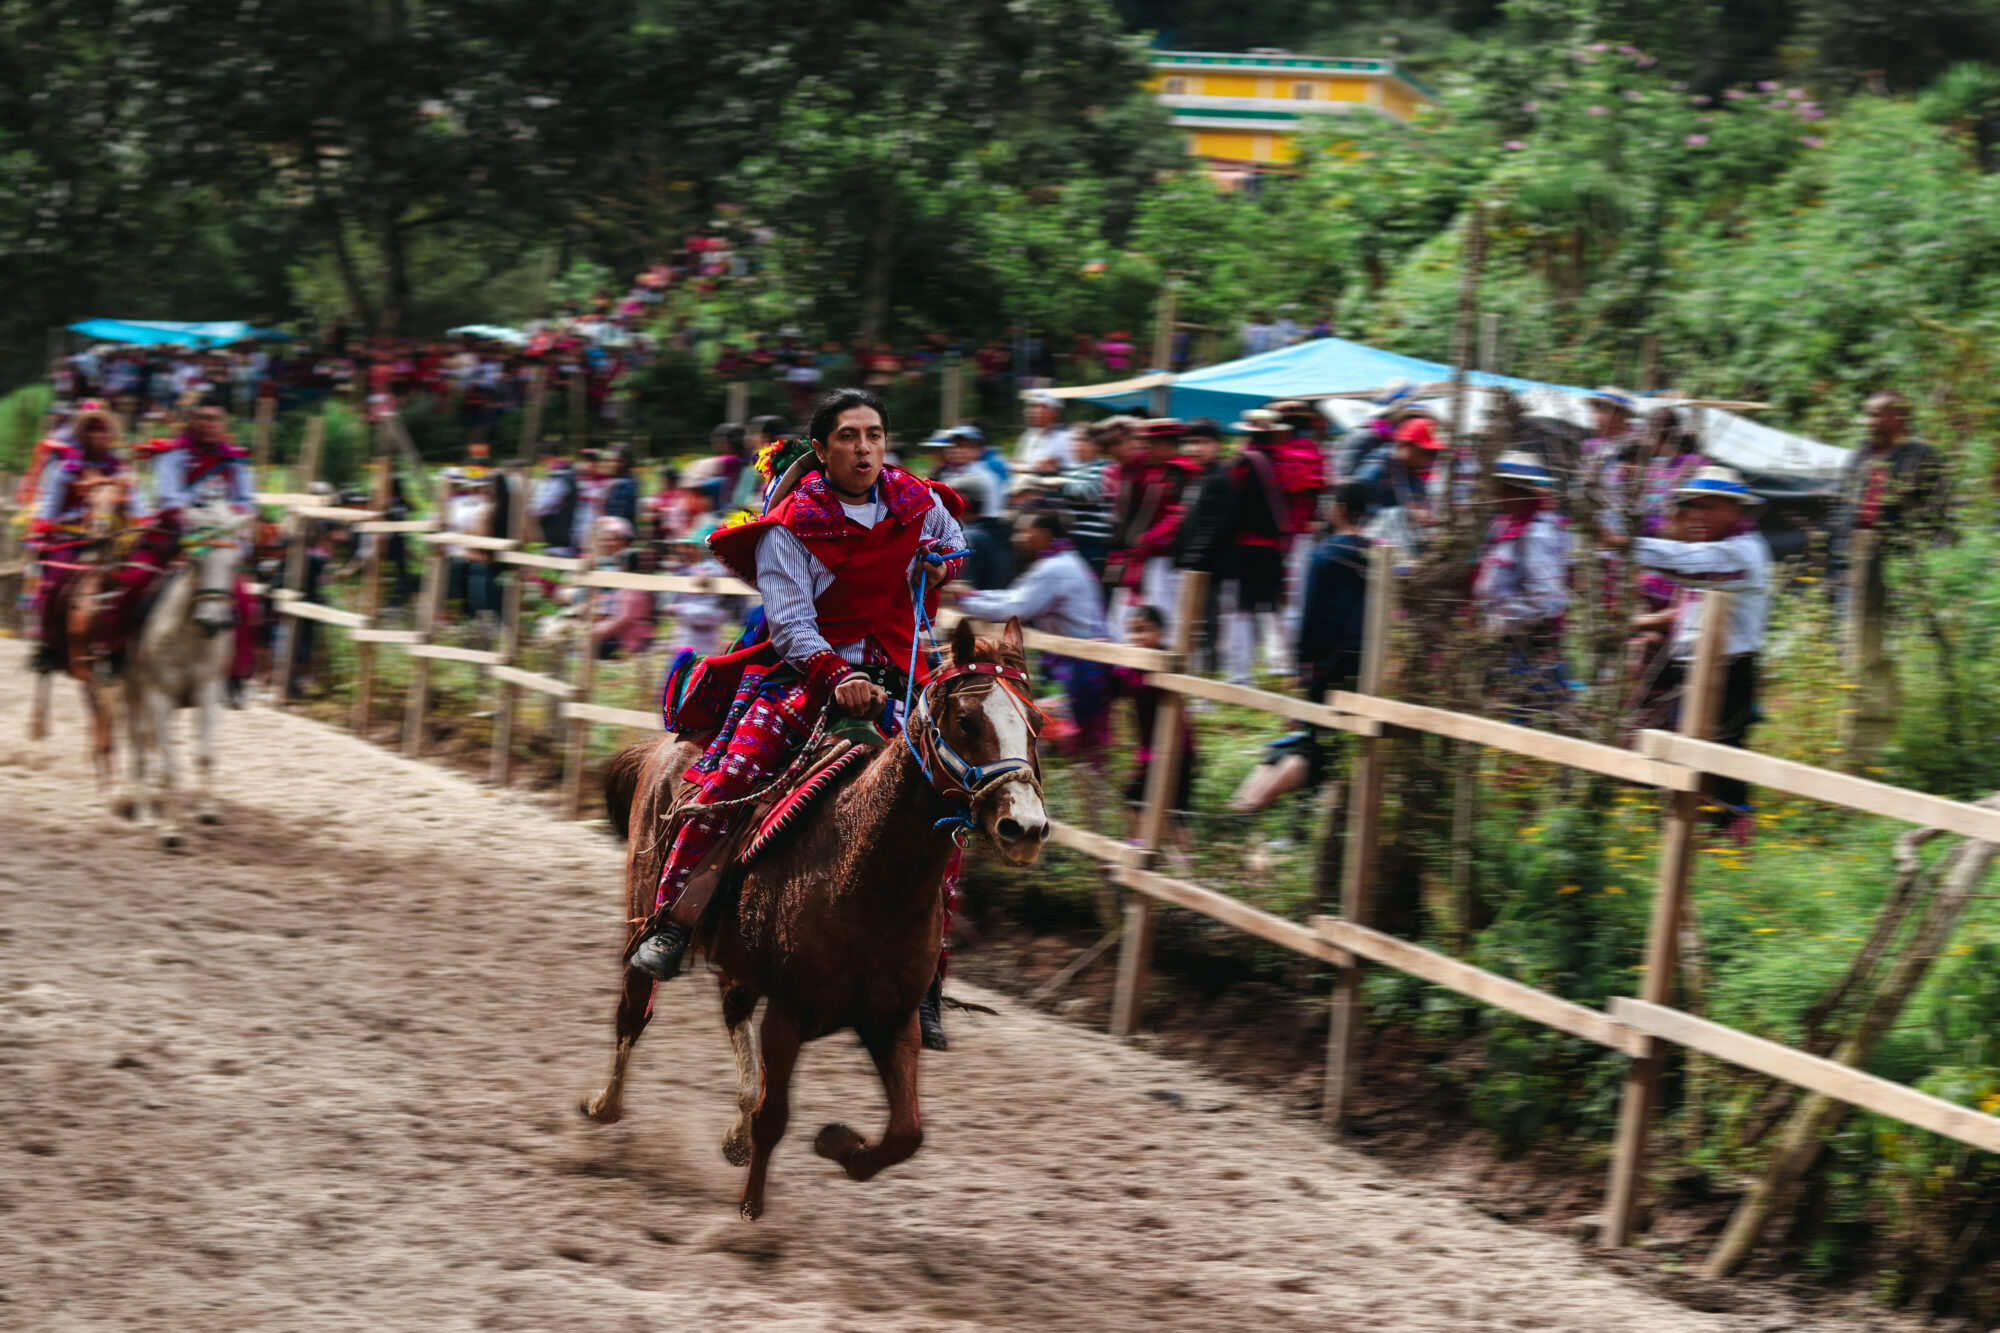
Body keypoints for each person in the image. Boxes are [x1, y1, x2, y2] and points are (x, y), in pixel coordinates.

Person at [627, 388, 968, 1049]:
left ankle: (929, 976)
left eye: (875, 433)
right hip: (806, 678)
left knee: (951, 803)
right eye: (849, 435)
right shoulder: (793, 526)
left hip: (898, 679)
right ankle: (672, 921)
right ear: (822, 448)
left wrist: (942, 560)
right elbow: (788, 624)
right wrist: (838, 677)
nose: (865, 446)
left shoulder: (914, 500)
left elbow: (953, 542)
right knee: (732, 778)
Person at [1616, 466, 1771, 842]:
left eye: (1711, 506)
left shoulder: (1742, 553)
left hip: (1728, 668)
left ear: (1738, 511)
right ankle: (1682, 829)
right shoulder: (1710, 546)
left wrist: (1621, 543)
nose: (1700, 514)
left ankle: (1729, 841)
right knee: (1673, 743)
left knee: (1723, 757)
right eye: (1695, 506)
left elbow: (1690, 567)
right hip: (1689, 663)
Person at [952, 509, 1113, 757]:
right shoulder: (1059, 563)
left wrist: (962, 601)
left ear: (1044, 533)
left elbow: (1015, 608)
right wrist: (969, 597)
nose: (1018, 537)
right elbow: (1015, 598)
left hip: (1082, 666)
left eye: (1025, 531)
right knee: (1076, 743)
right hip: (1078, 663)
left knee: (1076, 745)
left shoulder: (1055, 569)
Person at [148, 400, 259, 701]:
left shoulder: (236, 464)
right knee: (134, 583)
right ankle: (118, 654)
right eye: (202, 418)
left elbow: (247, 503)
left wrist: (225, 524)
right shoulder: (172, 458)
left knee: (247, 603)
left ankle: (236, 677)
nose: (209, 424)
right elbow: (168, 500)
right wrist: (193, 530)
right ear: (191, 422)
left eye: (214, 418)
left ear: (224, 425)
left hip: (220, 542)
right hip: (177, 540)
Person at [27, 405, 137, 674]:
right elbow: (50, 508)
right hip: (71, 539)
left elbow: (137, 510)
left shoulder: (121, 471)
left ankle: (124, 645)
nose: (97, 437)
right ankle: (48, 643)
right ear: (83, 435)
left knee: (136, 582)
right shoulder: (66, 469)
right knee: (52, 586)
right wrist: (42, 530)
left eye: (102, 432)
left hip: (111, 539)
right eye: (92, 432)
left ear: (110, 437)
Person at [1473, 452, 1572, 718]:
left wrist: (1501, 618)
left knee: (1522, 724)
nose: (1495, 493)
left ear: (1516, 490)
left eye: (1501, 486)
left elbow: (1547, 598)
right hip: (1502, 646)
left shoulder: (1537, 534)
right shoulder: (1503, 525)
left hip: (1526, 648)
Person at [1217, 410, 1292, 684]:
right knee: (1275, 610)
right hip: (1275, 550)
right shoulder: (1285, 462)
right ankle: (1286, 668)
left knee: (1240, 613)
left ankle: (1239, 676)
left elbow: (1229, 509)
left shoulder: (1240, 465)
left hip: (1244, 549)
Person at [1114, 604, 1196, 851]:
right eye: (1132, 631)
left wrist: (1121, 662)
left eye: (1144, 630)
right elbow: (1119, 687)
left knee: (1174, 816)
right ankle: (1142, 850)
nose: (1137, 638)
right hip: (1154, 753)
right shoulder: (1136, 663)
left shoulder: (1164, 661)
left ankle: (1180, 865)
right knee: (1134, 801)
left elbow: (1140, 687)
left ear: (1160, 633)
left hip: (1177, 752)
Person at [1104, 419, 1194, 638]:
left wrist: (1150, 538)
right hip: (1139, 556)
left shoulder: (1181, 472)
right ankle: (1123, 660)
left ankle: (1163, 660)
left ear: (1168, 444)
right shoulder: (1147, 469)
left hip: (1164, 558)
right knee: (1124, 610)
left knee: (1162, 611)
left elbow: (1179, 514)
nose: (1145, 449)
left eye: (1151, 444)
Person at [1015, 391, 1074, 474]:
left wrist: (1058, 466)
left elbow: (1077, 468)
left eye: (1044, 407)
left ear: (1056, 413)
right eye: (1033, 407)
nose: (1036, 411)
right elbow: (1020, 462)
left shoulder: (1066, 438)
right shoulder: (1028, 436)